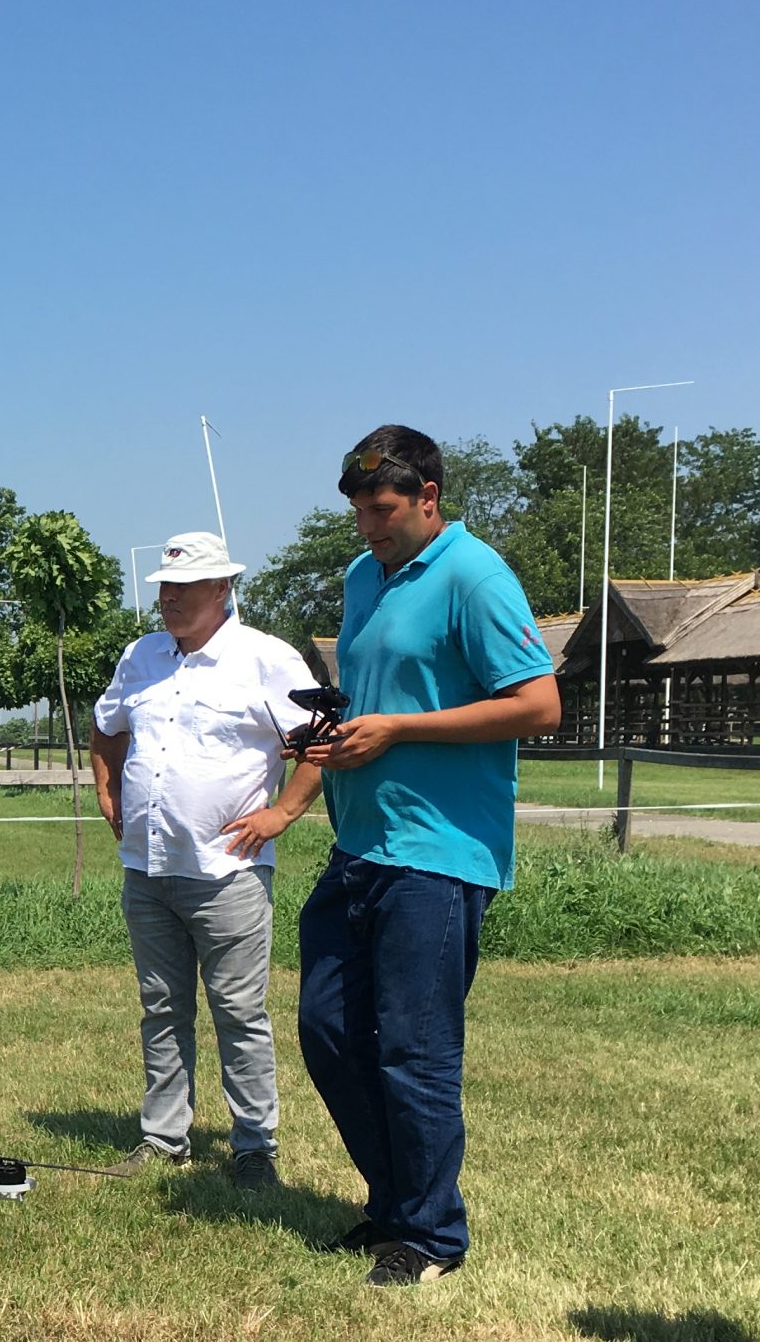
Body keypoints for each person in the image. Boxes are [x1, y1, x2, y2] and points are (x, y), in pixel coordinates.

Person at [293, 426, 560, 1287]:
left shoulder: (474, 576)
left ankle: (433, 1236)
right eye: (361, 514)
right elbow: (382, 696)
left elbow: (539, 705)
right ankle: (395, 1204)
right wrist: (336, 729)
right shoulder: (362, 577)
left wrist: (400, 729)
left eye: (383, 511)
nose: (369, 529)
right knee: (329, 1030)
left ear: (430, 496)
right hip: (360, 840)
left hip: (439, 852)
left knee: (414, 1046)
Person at [90, 531, 321, 1187]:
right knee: (161, 1006)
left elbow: (320, 743)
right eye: (164, 588)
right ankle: (164, 1139)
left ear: (222, 589)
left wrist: (281, 814)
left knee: (239, 1011)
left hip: (229, 871)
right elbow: (108, 725)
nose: (168, 600)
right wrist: (108, 789)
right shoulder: (141, 657)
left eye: (183, 589)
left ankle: (255, 1145)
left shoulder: (265, 660)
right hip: (148, 867)